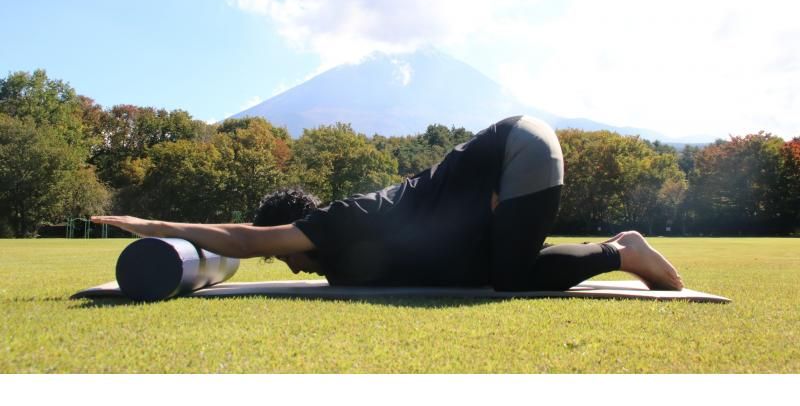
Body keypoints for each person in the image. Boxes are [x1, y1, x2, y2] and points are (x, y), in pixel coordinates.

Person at [92, 115, 683, 292]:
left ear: (300, 229)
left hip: (515, 148)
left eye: (287, 252)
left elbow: (247, 239)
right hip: (510, 160)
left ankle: (622, 249)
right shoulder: (358, 248)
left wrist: (149, 224)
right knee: (494, 273)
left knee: (510, 280)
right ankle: (618, 250)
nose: (290, 263)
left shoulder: (337, 222)